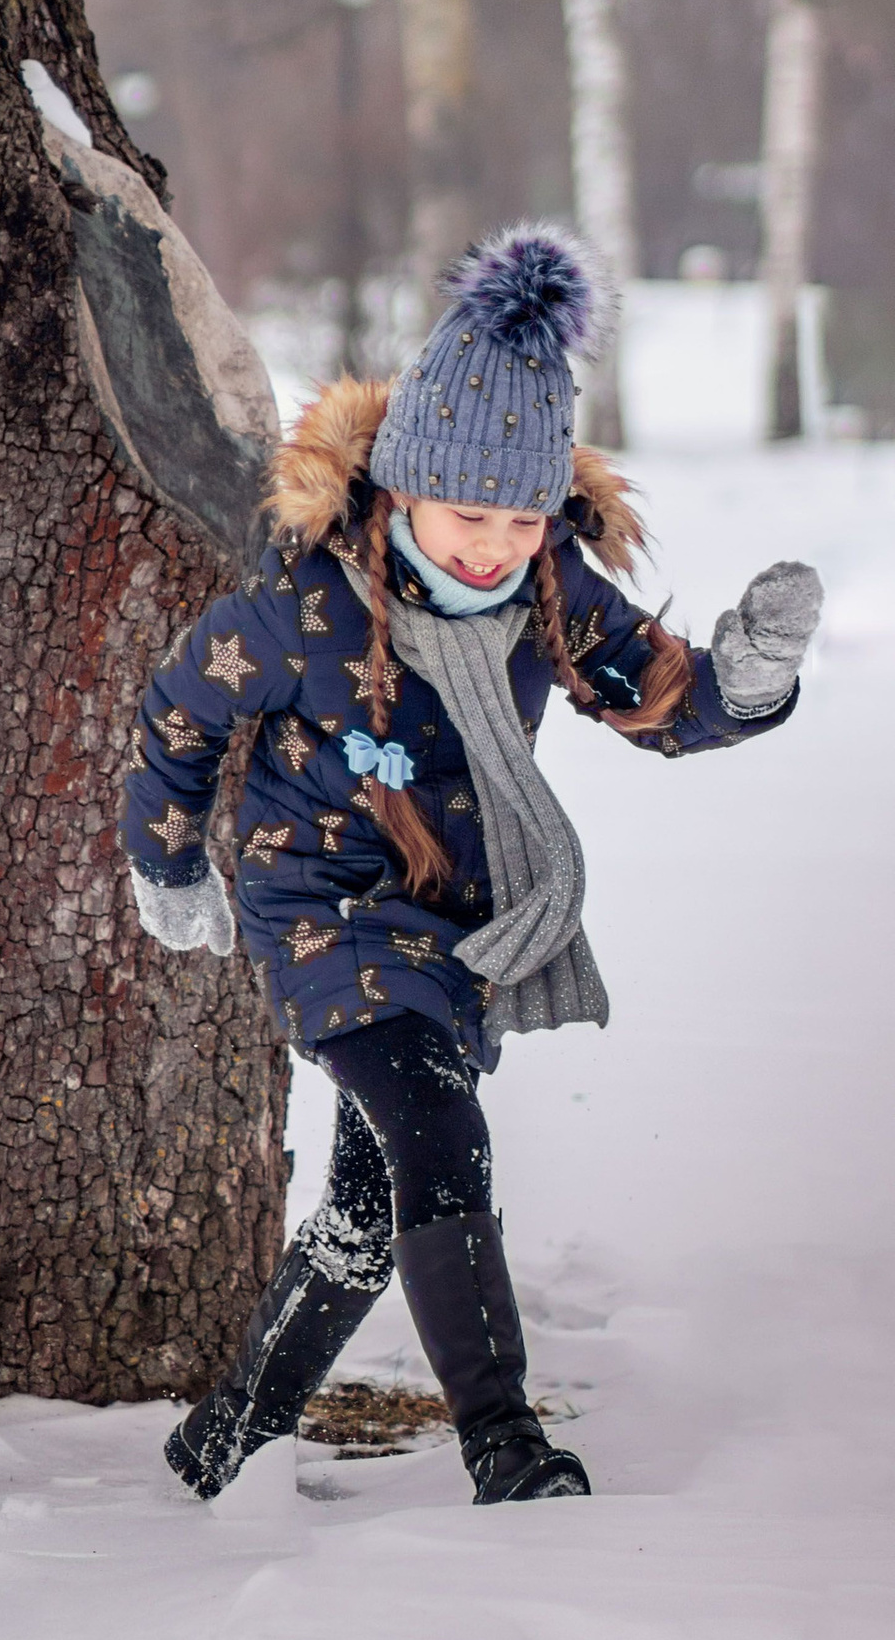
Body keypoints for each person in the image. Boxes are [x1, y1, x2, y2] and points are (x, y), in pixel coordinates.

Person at [122, 225, 819, 1504]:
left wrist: (746, 684)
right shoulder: (306, 602)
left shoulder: (545, 586)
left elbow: (651, 699)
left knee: (363, 1211)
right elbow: (179, 714)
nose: (493, 545)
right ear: (401, 485)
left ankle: (223, 1438)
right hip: (322, 914)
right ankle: (504, 1444)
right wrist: (166, 861)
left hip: (455, 926)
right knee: (444, 1141)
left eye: (520, 515)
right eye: (465, 514)